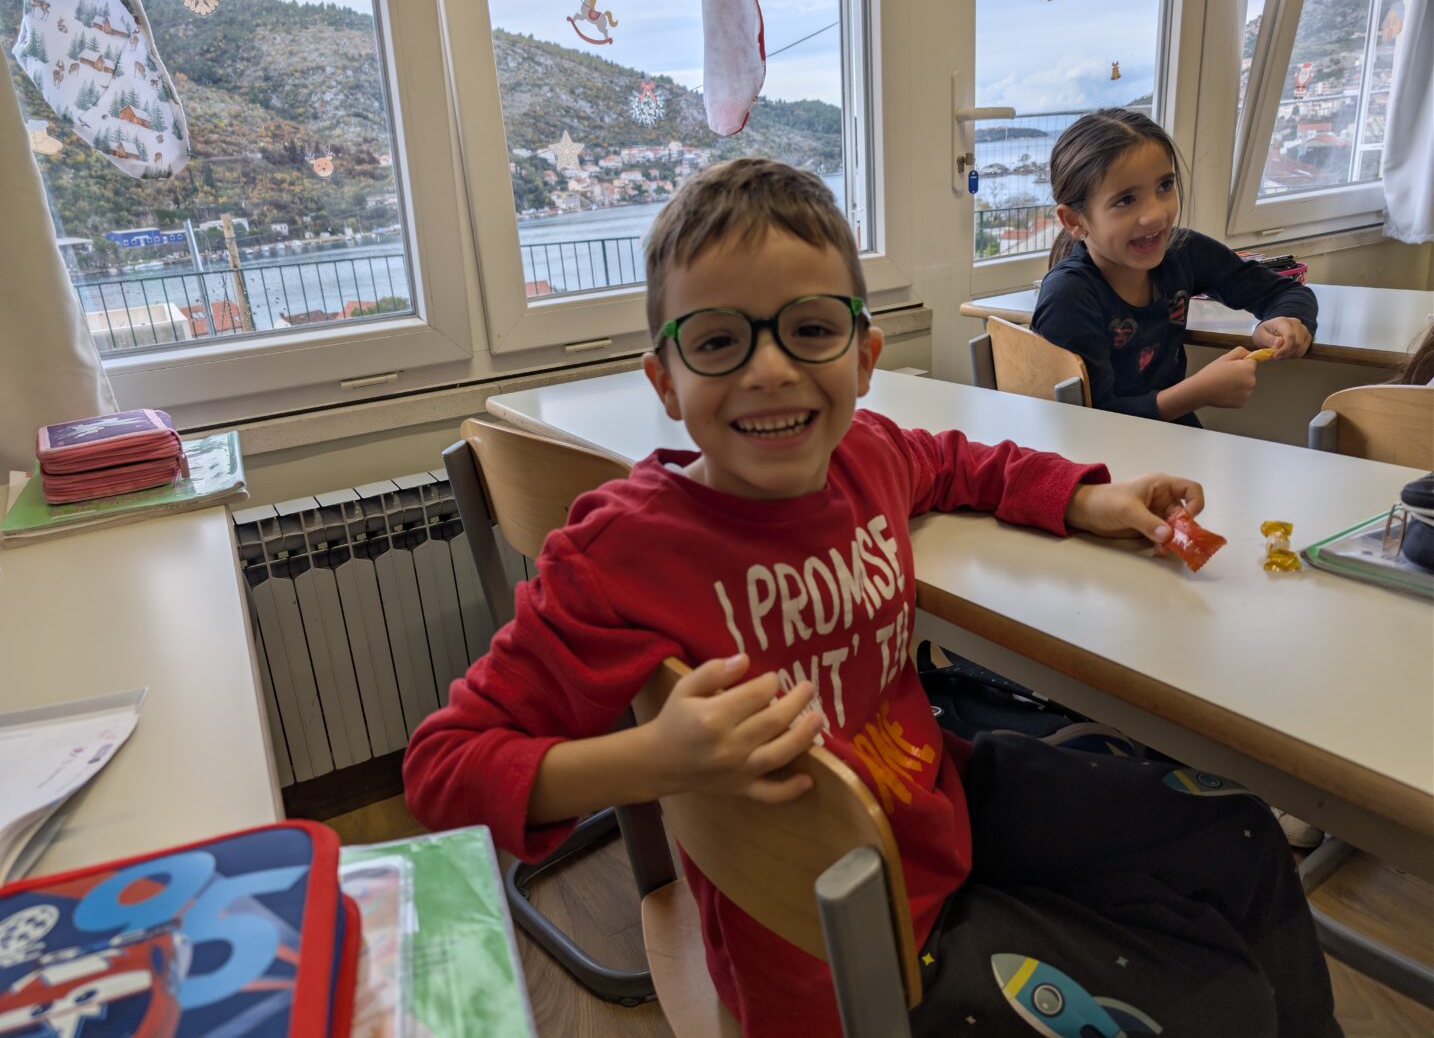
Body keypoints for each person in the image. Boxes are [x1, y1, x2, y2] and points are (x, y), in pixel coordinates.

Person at [404, 158, 1338, 1037]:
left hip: (937, 807)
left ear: (863, 358)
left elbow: (959, 462)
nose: (770, 369)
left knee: (1242, 834)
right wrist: (654, 759)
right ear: (666, 382)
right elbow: (443, 772)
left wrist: (1088, 499)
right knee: (1224, 1000)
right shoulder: (622, 548)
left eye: (810, 330)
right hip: (831, 954)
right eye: (719, 341)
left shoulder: (867, 455)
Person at [1032, 108, 1318, 426]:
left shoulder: (1183, 251)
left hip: (1178, 442)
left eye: (1165, 186)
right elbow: (1088, 421)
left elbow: (1285, 292)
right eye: (1126, 200)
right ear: (1075, 220)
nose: (1156, 214)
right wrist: (1196, 393)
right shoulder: (1068, 296)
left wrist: (1287, 320)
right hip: (1104, 453)